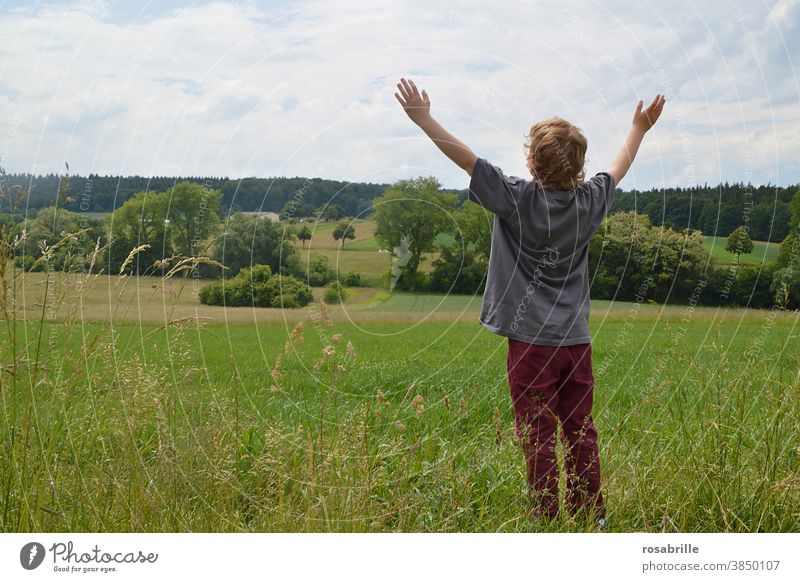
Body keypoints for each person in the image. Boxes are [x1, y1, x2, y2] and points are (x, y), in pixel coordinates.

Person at [394, 77, 665, 529]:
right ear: (579, 167)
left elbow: (468, 161)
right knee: (580, 431)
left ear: (532, 162)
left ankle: (546, 517)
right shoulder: (590, 202)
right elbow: (620, 165)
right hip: (576, 343)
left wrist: (424, 120)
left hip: (530, 347)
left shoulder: (517, 199)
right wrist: (639, 127)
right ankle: (591, 516)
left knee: (536, 436)